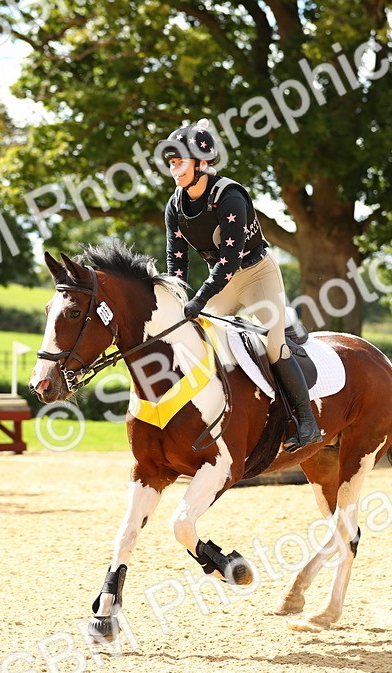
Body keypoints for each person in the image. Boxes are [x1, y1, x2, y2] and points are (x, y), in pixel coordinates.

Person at [155, 119, 321, 452]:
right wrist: (179, 298)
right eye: (171, 163)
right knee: (198, 340)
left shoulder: (230, 197)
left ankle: (307, 422)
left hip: (257, 275)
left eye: (180, 161)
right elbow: (178, 263)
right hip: (222, 283)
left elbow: (229, 261)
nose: (174, 169)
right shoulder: (174, 206)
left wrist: (198, 300)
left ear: (202, 163)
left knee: (273, 347)